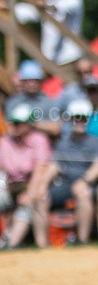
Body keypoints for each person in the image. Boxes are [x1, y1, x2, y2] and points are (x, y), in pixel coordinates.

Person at [39, 99, 98, 245]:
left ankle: (82, 241)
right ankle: (42, 245)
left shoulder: (97, 142)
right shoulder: (62, 143)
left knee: (83, 194)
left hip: (88, 184)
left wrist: (84, 182)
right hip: (66, 183)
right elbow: (54, 166)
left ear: (88, 119)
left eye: (83, 118)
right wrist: (42, 185)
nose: (80, 121)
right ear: (70, 119)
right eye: (76, 118)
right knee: (41, 197)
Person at [0, 104, 52, 249]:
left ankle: (11, 244)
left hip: (29, 184)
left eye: (19, 123)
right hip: (8, 185)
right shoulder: (5, 141)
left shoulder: (39, 140)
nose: (15, 126)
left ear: (29, 124)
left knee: (28, 202)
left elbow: (40, 171)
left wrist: (29, 193)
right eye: (13, 123)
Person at [10, 0, 84, 66]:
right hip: (51, 59)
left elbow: (58, 7)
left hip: (71, 57)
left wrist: (44, 4)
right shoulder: (49, 0)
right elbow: (29, 11)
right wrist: (8, 5)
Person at [4, 60, 62, 138]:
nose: (32, 84)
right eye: (28, 81)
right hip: (18, 142)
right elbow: (8, 129)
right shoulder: (12, 102)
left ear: (40, 82)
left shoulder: (49, 102)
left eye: (35, 81)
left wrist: (31, 124)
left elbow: (56, 129)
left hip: (41, 143)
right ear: (22, 82)